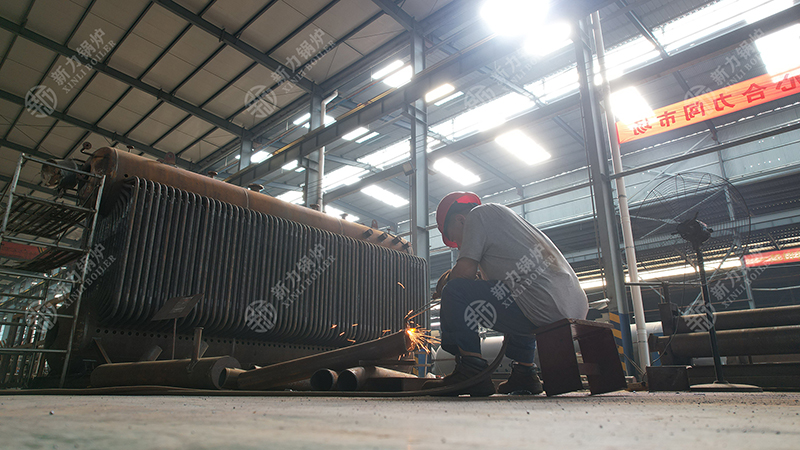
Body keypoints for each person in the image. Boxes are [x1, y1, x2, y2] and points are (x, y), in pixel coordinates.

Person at [425, 191, 588, 396]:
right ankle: (525, 373)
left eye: (455, 239)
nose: (459, 246)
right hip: (570, 304)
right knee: (514, 291)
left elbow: (463, 274)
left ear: (460, 220)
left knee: (454, 291)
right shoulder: (501, 218)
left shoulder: (477, 216)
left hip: (544, 303)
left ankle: (471, 371)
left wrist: (447, 283)